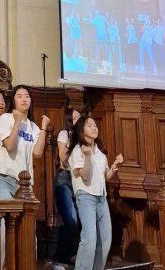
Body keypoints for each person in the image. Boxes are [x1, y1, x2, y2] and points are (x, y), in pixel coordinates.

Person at [68, 115, 123, 270]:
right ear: (81, 130)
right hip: (86, 196)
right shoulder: (78, 150)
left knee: (105, 240)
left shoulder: (100, 154)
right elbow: (85, 176)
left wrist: (114, 166)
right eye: (89, 125)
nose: (94, 128)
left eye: (95, 125)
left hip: (101, 198)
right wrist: (87, 156)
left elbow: (105, 176)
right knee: (89, 239)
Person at [0, 84, 50, 199]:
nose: (24, 99)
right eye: (19, 96)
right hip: (4, 178)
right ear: (14, 101)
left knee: (27, 212)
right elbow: (9, 146)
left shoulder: (33, 127)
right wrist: (17, 121)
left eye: (27, 96)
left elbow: (37, 153)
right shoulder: (6, 118)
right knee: (6, 211)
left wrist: (44, 128)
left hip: (24, 182)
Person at [53, 106, 81, 267]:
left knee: (81, 220)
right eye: (74, 118)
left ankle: (72, 255)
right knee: (71, 220)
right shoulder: (65, 134)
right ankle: (60, 257)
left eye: (79, 117)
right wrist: (72, 137)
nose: (78, 120)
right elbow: (63, 158)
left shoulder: (84, 136)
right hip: (65, 178)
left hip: (79, 179)